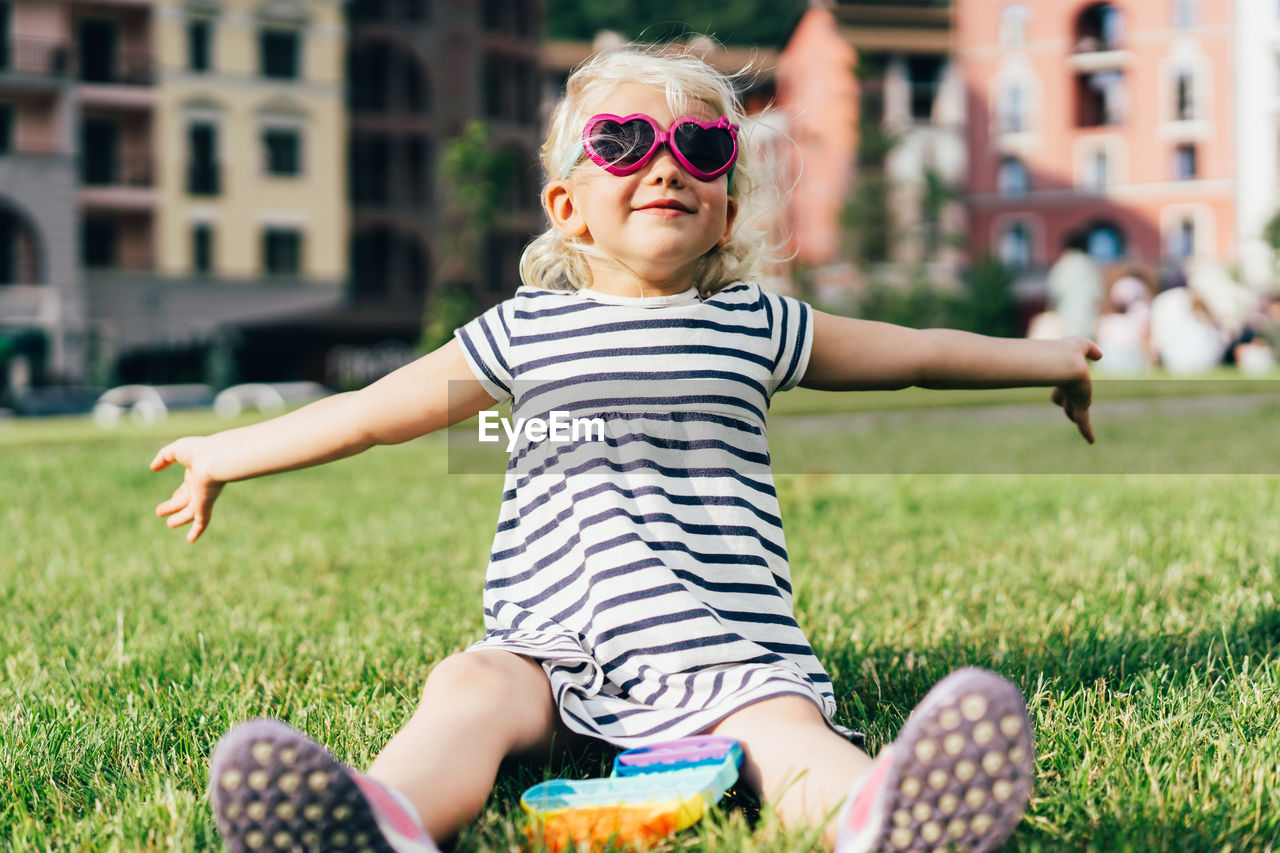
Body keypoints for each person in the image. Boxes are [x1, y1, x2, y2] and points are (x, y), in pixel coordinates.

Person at [151, 47, 1100, 853]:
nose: (665, 164)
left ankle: (879, 816)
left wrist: (1046, 355)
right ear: (567, 207)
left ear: (728, 211)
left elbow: (917, 356)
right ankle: (382, 814)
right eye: (622, 142)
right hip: (551, 647)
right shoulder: (520, 332)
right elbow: (366, 412)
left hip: (721, 641)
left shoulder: (754, 322)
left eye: (702, 147)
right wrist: (225, 453)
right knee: (468, 688)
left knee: (783, 729)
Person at [1046, 230, 1104, 340]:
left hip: (1064, 320)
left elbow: (1054, 293)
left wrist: (1049, 312)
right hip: (1086, 321)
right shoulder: (1089, 265)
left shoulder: (1063, 264)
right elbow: (1097, 296)